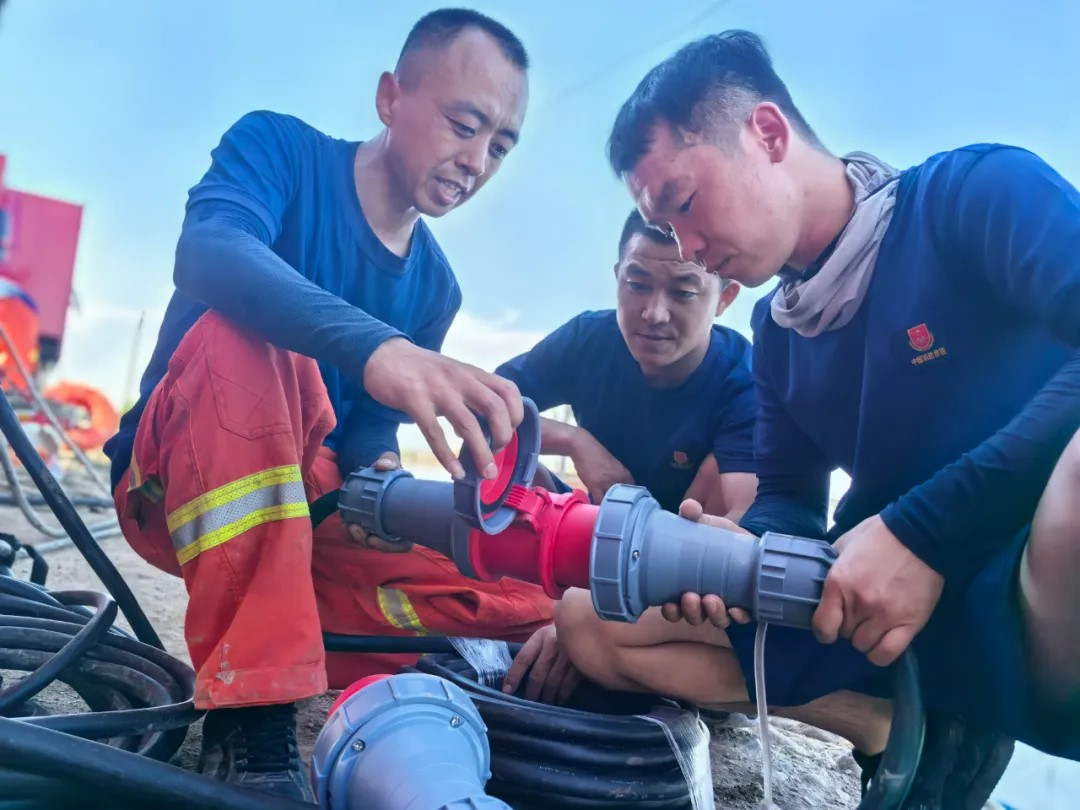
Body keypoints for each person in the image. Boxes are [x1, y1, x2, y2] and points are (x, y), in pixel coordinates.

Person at [556, 29, 1080, 804]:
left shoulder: (973, 195)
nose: (689, 250)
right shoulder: (777, 335)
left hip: (1033, 591)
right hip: (873, 605)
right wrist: (739, 551)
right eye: (667, 230)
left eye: (686, 206)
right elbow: (790, 498)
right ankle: (905, 727)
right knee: (588, 618)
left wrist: (923, 535)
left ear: (767, 134)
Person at [104, 10, 554, 800]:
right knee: (248, 337)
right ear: (390, 97)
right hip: (180, 476)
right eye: (464, 126)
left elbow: (367, 437)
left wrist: (398, 491)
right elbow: (210, 249)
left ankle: (382, 646)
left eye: (500, 147)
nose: (476, 161)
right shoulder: (278, 149)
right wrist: (379, 350)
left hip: (304, 511)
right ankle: (253, 715)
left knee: (533, 584)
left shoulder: (436, 287)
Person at [494, 208, 758, 703]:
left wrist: (580, 620)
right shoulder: (588, 339)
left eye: (683, 292)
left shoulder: (743, 381)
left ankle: (592, 637)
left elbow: (745, 529)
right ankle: (554, 616)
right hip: (596, 539)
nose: (653, 313)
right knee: (504, 471)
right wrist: (579, 443)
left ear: (724, 298)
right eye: (637, 285)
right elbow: (481, 408)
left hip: (682, 570)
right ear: (618, 277)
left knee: (719, 480)